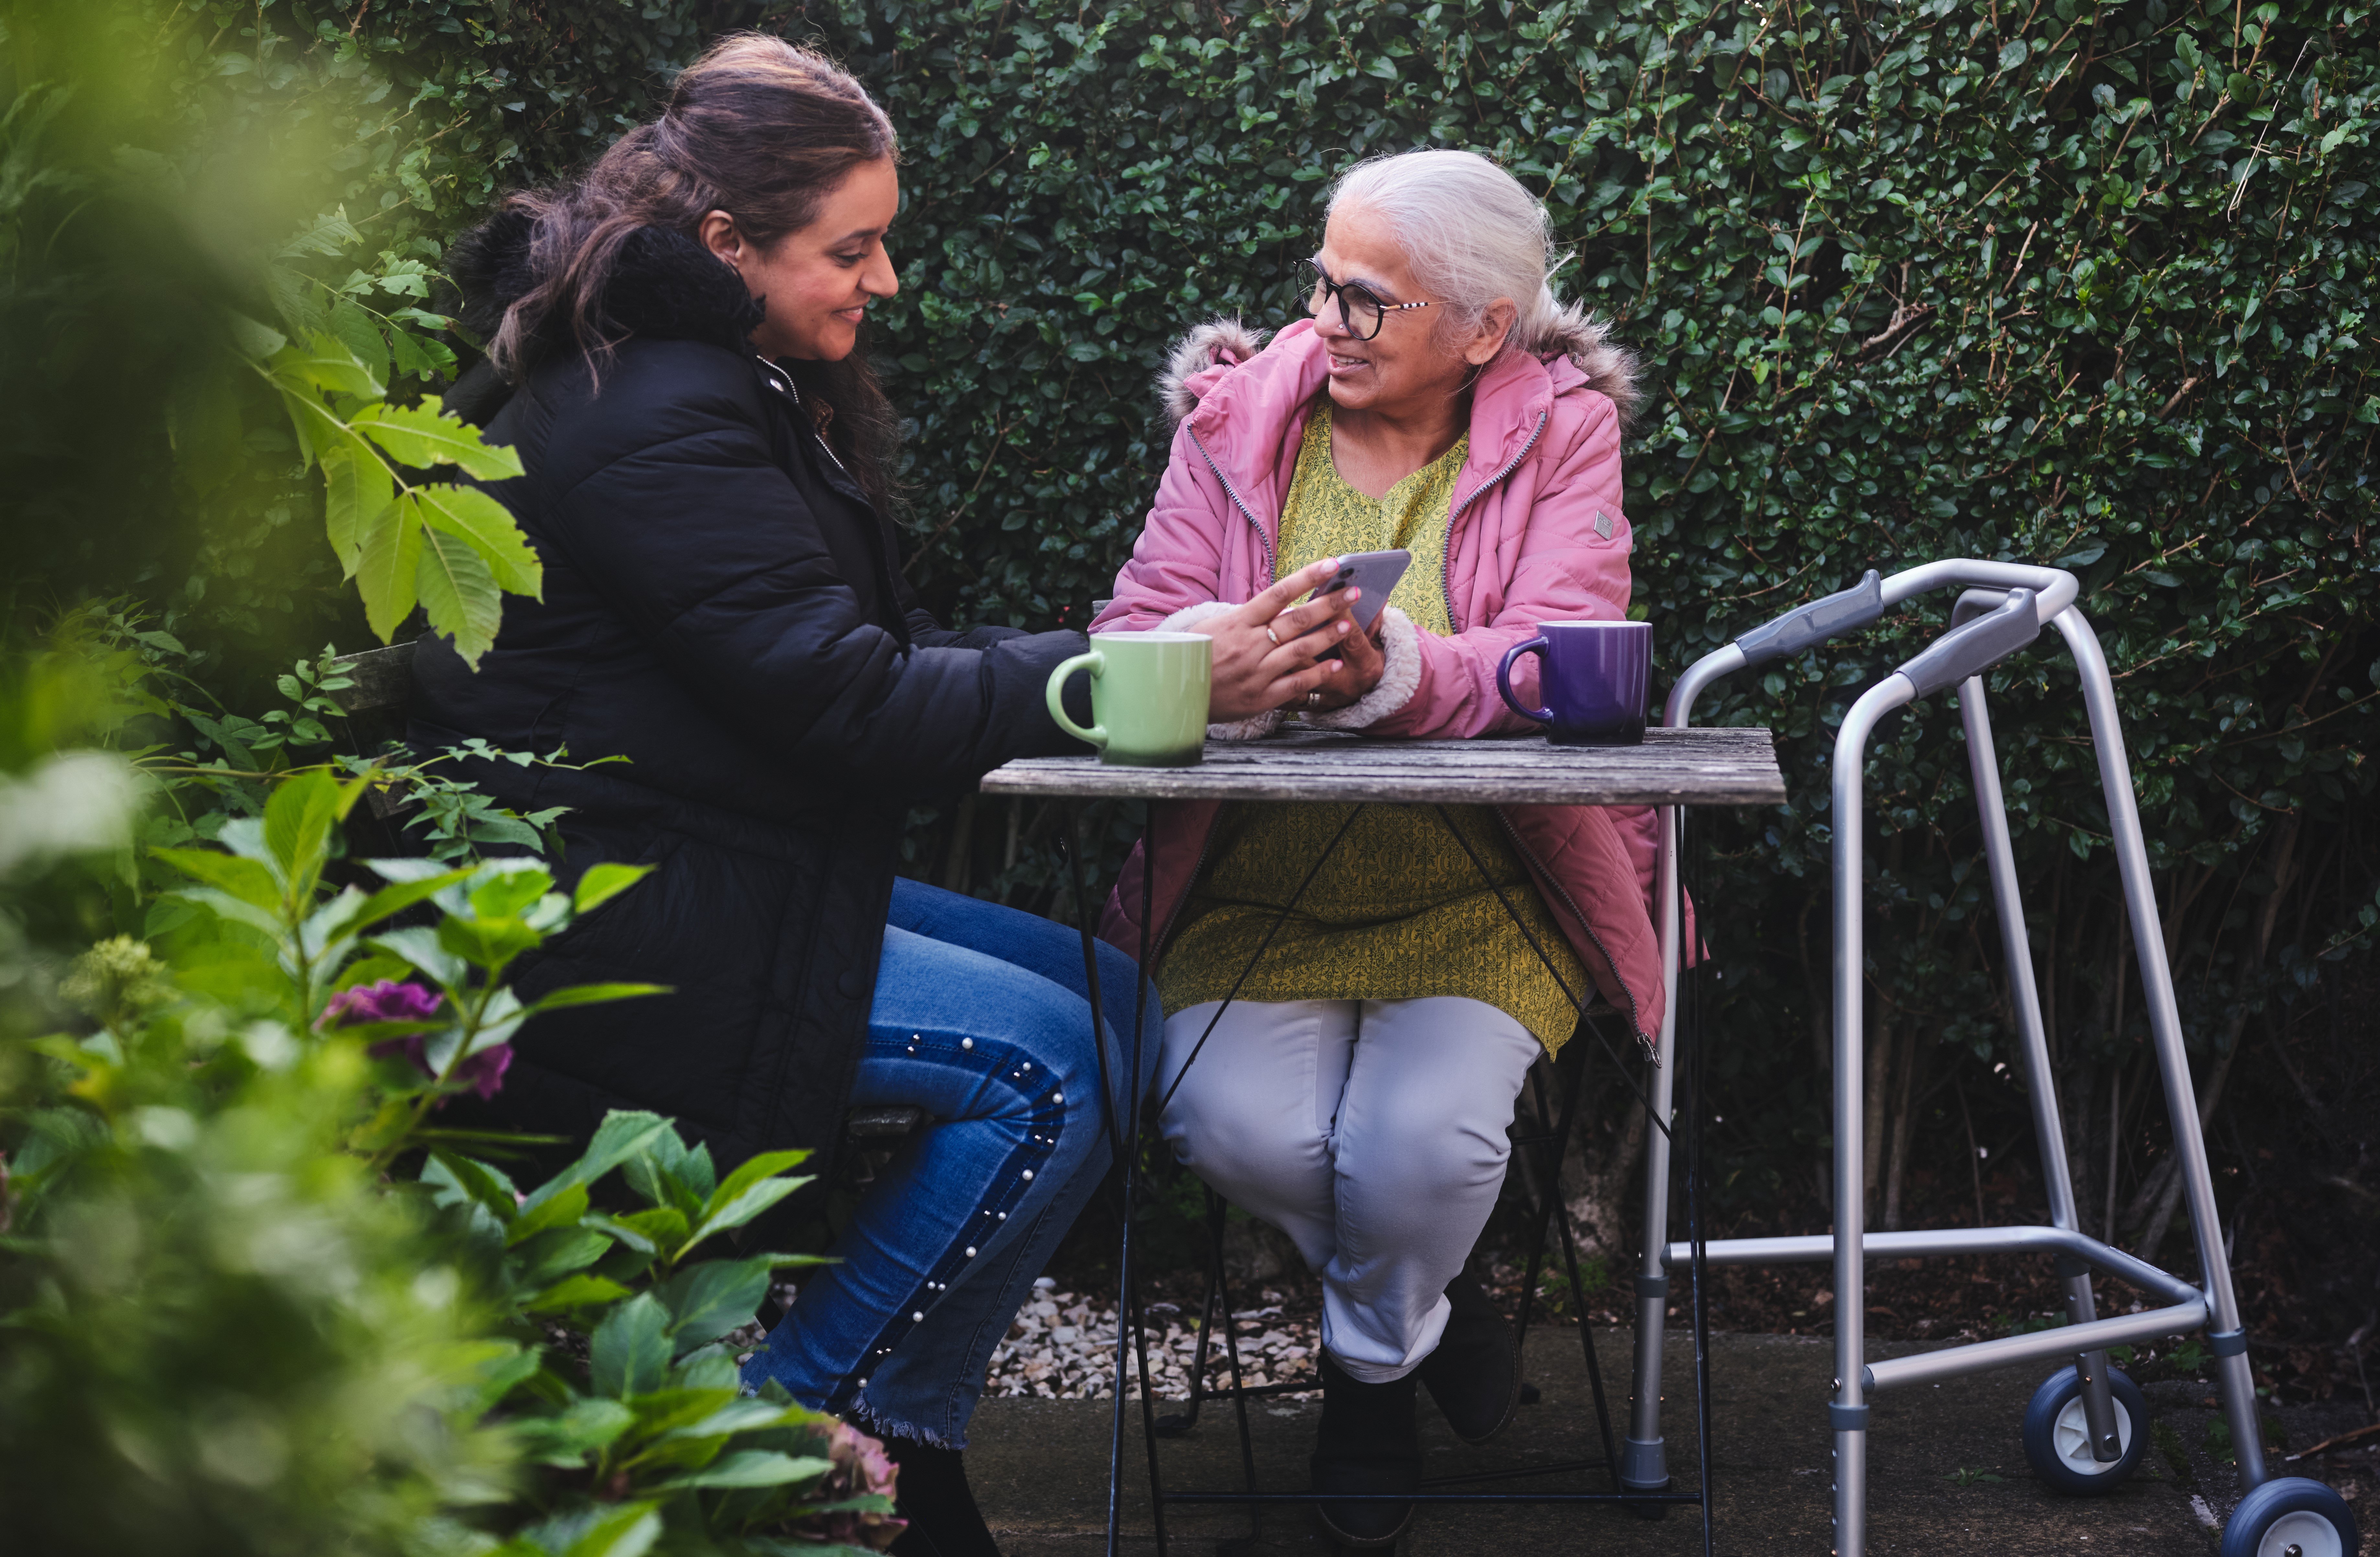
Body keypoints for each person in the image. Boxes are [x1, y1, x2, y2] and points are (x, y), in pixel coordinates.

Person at [407, 36, 1359, 1556]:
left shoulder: (705, 381)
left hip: (704, 864)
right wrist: (1125, 685)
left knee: (1114, 1001)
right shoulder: (658, 411)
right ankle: (785, 1442)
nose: (887, 280)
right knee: (1052, 1066)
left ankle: (895, 1433)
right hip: (606, 918)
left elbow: (848, 659)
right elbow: (850, 700)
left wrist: (1136, 658)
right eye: (851, 247)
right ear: (725, 244)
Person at [1092, 148, 1671, 1548]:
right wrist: (1216, 656)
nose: (1326, 317)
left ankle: (1365, 1383)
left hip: (1484, 886)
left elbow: (1553, 651)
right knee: (1229, 1122)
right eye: (1323, 283)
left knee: (1416, 1144)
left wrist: (1401, 670)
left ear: (1480, 328)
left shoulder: (1560, 429)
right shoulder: (1236, 421)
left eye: (1367, 297)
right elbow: (1131, 630)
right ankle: (1432, 1304)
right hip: (1256, 888)